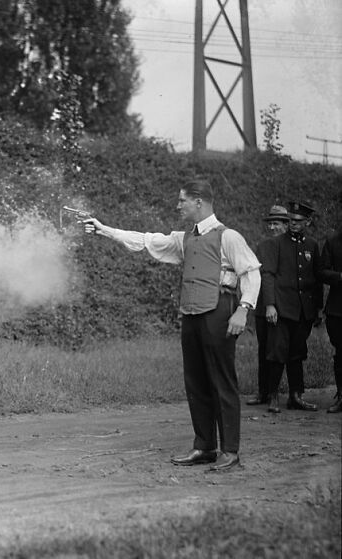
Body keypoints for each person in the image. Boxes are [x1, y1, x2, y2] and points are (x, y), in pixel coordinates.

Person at [83, 179, 261, 472]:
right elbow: (146, 240)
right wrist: (105, 230)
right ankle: (205, 446)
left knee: (222, 382)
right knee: (196, 381)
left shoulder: (228, 237)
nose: (178, 205)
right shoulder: (184, 238)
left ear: (199, 202)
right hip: (191, 314)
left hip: (220, 312)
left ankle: (230, 451)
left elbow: (251, 274)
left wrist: (243, 310)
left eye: (182, 201)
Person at [259, 201, 323, 413]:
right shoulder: (276, 243)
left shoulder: (312, 245)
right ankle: (273, 395)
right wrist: (270, 305)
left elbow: (316, 278)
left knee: (297, 353)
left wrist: (318, 308)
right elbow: (268, 275)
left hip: (304, 310)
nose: (294, 224)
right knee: (277, 352)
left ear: (307, 221)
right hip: (281, 308)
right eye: (291, 221)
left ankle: (296, 396)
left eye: (298, 221)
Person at [247, 205, 290, 406]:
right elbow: (258, 276)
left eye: (277, 223)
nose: (273, 227)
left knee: (277, 349)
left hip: (283, 306)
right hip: (263, 305)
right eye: (270, 223)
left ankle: (274, 394)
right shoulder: (263, 246)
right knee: (263, 349)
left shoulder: (291, 247)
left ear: (286, 225)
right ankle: (263, 392)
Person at [320, 225, 342, 413]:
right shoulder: (333, 241)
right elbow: (322, 272)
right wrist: (340, 276)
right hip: (338, 309)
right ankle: (341, 396)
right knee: (341, 353)